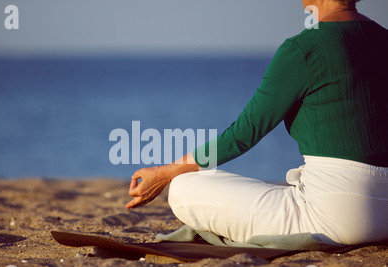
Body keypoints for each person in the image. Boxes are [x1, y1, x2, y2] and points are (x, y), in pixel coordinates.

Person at [125, 0, 388, 246]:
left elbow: (243, 133)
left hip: (336, 218)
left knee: (184, 187)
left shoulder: (302, 49)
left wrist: (168, 172)